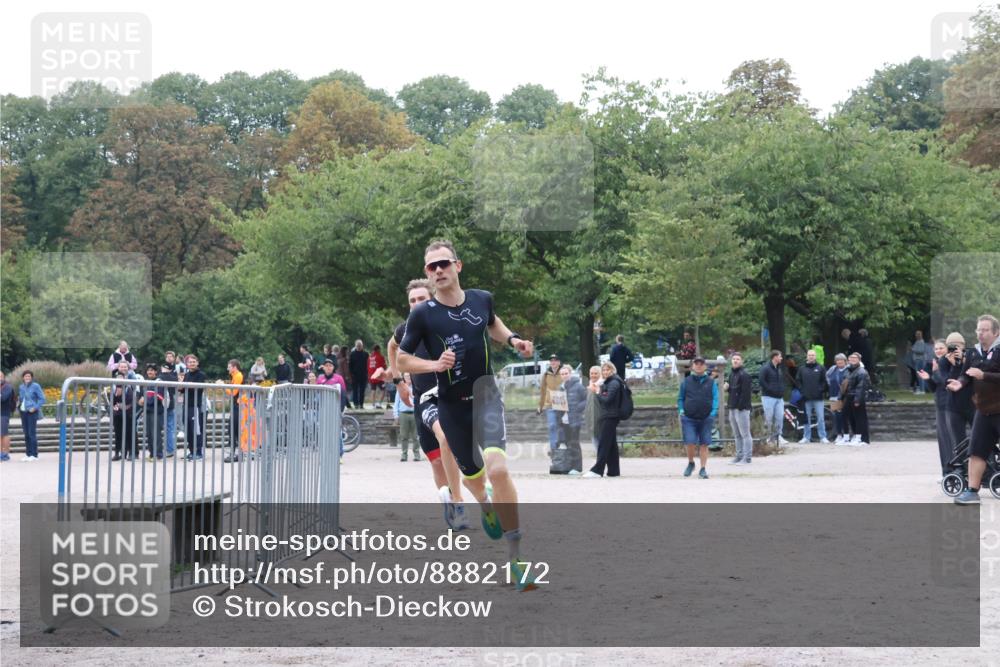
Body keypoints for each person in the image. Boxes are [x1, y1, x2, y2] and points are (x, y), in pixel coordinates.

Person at [397, 239, 537, 589]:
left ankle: (516, 559)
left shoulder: (481, 298)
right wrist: (433, 363)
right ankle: (486, 507)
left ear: (457, 266)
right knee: (474, 479)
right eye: (432, 267)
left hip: (485, 394)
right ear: (429, 275)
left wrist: (514, 340)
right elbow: (401, 360)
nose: (439, 270)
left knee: (499, 468)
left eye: (444, 263)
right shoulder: (423, 314)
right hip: (451, 404)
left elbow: (492, 323)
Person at [387, 278, 468, 529]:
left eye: (421, 299)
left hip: (447, 397)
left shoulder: (446, 323)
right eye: (412, 300)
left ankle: (460, 503)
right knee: (434, 459)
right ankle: (448, 498)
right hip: (421, 399)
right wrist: (399, 381)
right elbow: (392, 347)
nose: (416, 304)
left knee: (445, 438)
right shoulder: (405, 330)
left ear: (432, 298)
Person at [950, 315, 1000, 505]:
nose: (980, 333)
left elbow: (981, 375)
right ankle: (972, 491)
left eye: (985, 330)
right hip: (983, 409)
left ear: (996, 332)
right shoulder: (972, 353)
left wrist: (984, 375)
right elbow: (966, 375)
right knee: (976, 451)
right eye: (978, 330)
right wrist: (960, 383)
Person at [937, 332, 975, 471]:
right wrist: (955, 365)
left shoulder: (970, 356)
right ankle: (962, 470)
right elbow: (948, 382)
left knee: (979, 439)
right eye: (951, 347)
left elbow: (972, 378)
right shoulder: (944, 361)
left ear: (964, 346)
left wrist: (964, 362)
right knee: (958, 441)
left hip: (972, 405)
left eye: (958, 346)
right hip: (953, 407)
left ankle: (985, 471)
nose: (955, 350)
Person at [678, 357, 718, 479]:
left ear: (705, 366)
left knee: (704, 444)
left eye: (701, 364)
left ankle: (703, 468)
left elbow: (715, 398)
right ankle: (691, 463)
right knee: (689, 441)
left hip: (706, 417)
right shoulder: (686, 381)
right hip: (689, 417)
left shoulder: (711, 382)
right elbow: (680, 398)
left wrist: (713, 412)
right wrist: (681, 411)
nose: (699, 366)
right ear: (692, 367)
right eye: (696, 364)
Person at [918, 339, 952, 475]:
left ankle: (952, 470)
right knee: (942, 440)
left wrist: (936, 372)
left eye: (941, 348)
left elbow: (946, 382)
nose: (938, 350)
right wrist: (928, 379)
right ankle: (946, 471)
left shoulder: (950, 363)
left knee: (949, 439)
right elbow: (935, 387)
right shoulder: (936, 364)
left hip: (949, 406)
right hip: (940, 405)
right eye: (936, 348)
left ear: (947, 349)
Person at [586, 361, 623, 478]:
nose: (605, 372)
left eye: (608, 370)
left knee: (603, 444)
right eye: (604, 370)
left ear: (613, 370)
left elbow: (607, 400)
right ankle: (613, 471)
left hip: (610, 416)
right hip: (609, 415)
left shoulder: (614, 383)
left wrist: (597, 391)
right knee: (611, 445)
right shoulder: (610, 382)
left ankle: (597, 470)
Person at [557, 364, 588, 475]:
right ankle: (569, 466)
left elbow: (586, 399)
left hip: (575, 420)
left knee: (575, 443)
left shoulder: (578, 386)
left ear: (570, 373)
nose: (564, 375)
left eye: (566, 373)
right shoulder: (560, 387)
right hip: (564, 420)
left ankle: (577, 467)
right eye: (562, 374)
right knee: (567, 443)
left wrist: (577, 409)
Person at [796, 349, 829, 444]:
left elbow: (825, 382)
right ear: (807, 356)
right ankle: (806, 437)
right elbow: (798, 381)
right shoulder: (802, 368)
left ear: (815, 356)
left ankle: (823, 437)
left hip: (818, 398)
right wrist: (802, 391)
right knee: (807, 418)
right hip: (806, 398)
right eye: (809, 355)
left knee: (820, 418)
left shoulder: (821, 368)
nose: (811, 356)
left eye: (813, 355)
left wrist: (820, 390)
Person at [725, 353, 753, 465]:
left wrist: (740, 407)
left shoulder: (744, 375)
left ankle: (747, 458)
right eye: (734, 359)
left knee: (745, 434)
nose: (735, 361)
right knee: (736, 434)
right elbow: (734, 390)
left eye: (738, 359)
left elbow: (746, 393)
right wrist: (728, 389)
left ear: (742, 361)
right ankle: (739, 456)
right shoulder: (732, 374)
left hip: (741, 408)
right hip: (732, 407)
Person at [179, 355, 207, 461]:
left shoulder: (201, 375)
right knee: (188, 430)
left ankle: (199, 453)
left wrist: (185, 385)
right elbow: (181, 389)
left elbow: (197, 387)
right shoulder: (186, 375)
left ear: (197, 363)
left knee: (196, 430)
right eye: (190, 362)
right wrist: (181, 385)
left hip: (195, 406)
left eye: (194, 362)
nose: (192, 363)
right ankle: (191, 452)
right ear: (187, 364)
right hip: (186, 405)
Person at [110, 362, 138, 461]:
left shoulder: (132, 377)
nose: (123, 368)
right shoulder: (115, 379)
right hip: (118, 412)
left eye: (125, 366)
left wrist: (126, 406)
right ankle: (118, 452)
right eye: (121, 366)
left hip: (129, 410)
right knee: (118, 433)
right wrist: (115, 405)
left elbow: (136, 392)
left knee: (130, 432)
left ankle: (132, 452)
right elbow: (112, 397)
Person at [139, 363, 167, 460]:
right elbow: (141, 395)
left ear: (156, 371)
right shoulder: (146, 382)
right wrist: (140, 400)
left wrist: (145, 400)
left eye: (152, 370)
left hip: (156, 411)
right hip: (147, 410)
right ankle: (151, 454)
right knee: (149, 433)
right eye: (148, 370)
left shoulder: (160, 381)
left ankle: (158, 454)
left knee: (156, 433)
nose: (149, 372)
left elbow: (159, 396)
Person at [842, 353, 871, 446]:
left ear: (859, 360)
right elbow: (844, 385)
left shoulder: (861, 372)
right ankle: (855, 436)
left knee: (860, 419)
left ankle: (861, 438)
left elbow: (861, 387)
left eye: (855, 358)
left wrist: (857, 400)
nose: (853, 359)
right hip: (849, 397)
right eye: (851, 358)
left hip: (857, 397)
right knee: (851, 418)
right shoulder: (848, 371)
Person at [16, 370, 45, 461]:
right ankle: (28, 454)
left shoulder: (36, 386)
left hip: (32, 412)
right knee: (26, 434)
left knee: (31, 433)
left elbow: (42, 399)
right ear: (23, 378)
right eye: (25, 376)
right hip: (23, 412)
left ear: (31, 377)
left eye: (29, 376)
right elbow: (21, 398)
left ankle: (34, 455)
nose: (27, 378)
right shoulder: (21, 387)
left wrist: (35, 407)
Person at [759, 350, 786, 446]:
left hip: (779, 398)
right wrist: (770, 390)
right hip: (768, 397)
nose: (781, 358)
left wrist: (782, 390)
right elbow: (762, 381)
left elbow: (781, 381)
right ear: (775, 357)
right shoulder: (765, 368)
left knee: (779, 417)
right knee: (769, 418)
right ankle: (768, 437)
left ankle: (778, 436)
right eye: (780, 356)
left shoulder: (778, 368)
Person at [537, 355, 564, 453]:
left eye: (555, 360)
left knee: (561, 426)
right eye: (551, 360)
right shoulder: (546, 375)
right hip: (550, 404)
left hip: (562, 403)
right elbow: (543, 391)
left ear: (559, 362)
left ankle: (562, 445)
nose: (553, 362)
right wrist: (540, 406)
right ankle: (553, 448)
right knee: (552, 425)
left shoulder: (563, 373)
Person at [393, 373, 420, 462]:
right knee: (404, 436)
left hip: (414, 413)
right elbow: (396, 403)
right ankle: (404, 454)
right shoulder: (400, 388)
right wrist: (396, 415)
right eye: (406, 376)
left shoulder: (416, 388)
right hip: (403, 414)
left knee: (415, 436)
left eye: (409, 376)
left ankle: (417, 454)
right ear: (403, 378)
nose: (408, 378)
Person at [826, 354, 851, 444]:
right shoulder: (833, 369)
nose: (839, 362)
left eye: (841, 360)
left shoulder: (849, 370)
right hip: (834, 396)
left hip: (845, 396)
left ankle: (847, 435)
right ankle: (839, 434)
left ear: (845, 361)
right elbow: (827, 378)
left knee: (846, 416)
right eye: (837, 360)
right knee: (837, 417)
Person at [224, 359, 244, 463]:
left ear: (234, 367)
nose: (228, 368)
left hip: (238, 406)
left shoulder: (238, 376)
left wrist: (222, 386)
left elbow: (233, 392)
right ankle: (237, 454)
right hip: (237, 406)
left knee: (233, 429)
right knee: (233, 429)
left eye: (229, 366)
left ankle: (236, 454)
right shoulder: (235, 376)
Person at [582, 365, 602, 456]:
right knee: (595, 441)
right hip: (591, 419)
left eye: (596, 373)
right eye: (591, 373)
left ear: (600, 374)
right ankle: (600, 460)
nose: (593, 375)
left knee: (601, 442)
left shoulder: (602, 385)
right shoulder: (589, 386)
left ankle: (601, 461)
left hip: (600, 418)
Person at [349, 340, 369, 409]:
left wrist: (367, 373)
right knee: (355, 390)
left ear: (362, 346)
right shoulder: (352, 354)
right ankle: (356, 404)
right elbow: (350, 365)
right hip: (355, 375)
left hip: (363, 375)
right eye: (357, 346)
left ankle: (361, 404)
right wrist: (351, 374)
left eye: (360, 346)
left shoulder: (366, 354)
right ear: (355, 346)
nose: (359, 347)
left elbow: (368, 365)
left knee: (362, 390)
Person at [368, 344, 387, 409]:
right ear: (378, 349)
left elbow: (368, 367)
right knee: (383, 390)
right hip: (379, 377)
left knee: (373, 390)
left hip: (372, 377)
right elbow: (384, 366)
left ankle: (373, 404)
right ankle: (379, 403)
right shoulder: (380, 357)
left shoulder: (370, 358)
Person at [1, 371, 15, 462]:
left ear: (3, 377)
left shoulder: (7, 387)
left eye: (0, 376)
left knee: (4, 434)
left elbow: (3, 398)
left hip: (3, 414)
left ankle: (5, 454)